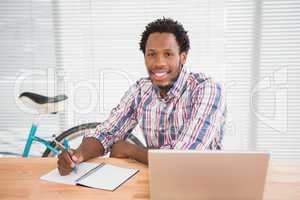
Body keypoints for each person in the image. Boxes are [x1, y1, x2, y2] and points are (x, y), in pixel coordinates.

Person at [57, 18, 226, 176]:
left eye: (168, 54)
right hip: (158, 178)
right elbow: (107, 133)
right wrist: (77, 155)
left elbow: (183, 158)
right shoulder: (141, 90)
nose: (159, 62)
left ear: (183, 57)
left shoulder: (206, 89)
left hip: (203, 182)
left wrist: (132, 151)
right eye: (152, 54)